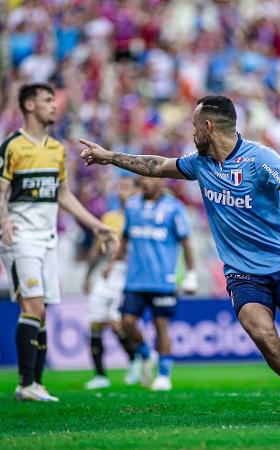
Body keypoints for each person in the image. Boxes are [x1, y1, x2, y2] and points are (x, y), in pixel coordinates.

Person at [79, 95, 280, 422]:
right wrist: (109, 158)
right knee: (262, 334)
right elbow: (156, 165)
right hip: (242, 273)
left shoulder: (260, 159)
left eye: (194, 126)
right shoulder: (199, 163)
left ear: (208, 127)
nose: (191, 133)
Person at [0, 83, 116, 402]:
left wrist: (97, 226)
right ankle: (26, 384)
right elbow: (1, 190)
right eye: (48, 100)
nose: (55, 105)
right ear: (29, 106)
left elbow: (63, 194)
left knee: (43, 310)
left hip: (48, 236)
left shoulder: (55, 149)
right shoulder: (12, 146)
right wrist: (4, 220)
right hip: (20, 236)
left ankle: (36, 384)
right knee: (33, 305)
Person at [106, 176, 197, 391]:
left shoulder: (174, 208)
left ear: (161, 183)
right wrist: (111, 263)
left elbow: (186, 241)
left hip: (162, 279)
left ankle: (164, 375)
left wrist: (191, 274)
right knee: (126, 322)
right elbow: (125, 239)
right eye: (142, 180)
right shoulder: (131, 206)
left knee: (161, 326)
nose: (144, 183)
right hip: (135, 279)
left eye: (149, 179)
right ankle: (147, 355)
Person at [83, 175, 138, 390]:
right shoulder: (109, 217)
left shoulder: (141, 215)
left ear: (136, 191)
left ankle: (135, 358)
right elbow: (99, 249)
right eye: (120, 187)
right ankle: (100, 375)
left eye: (127, 187)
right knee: (95, 323)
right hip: (107, 272)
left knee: (117, 324)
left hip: (129, 273)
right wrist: (88, 275)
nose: (122, 192)